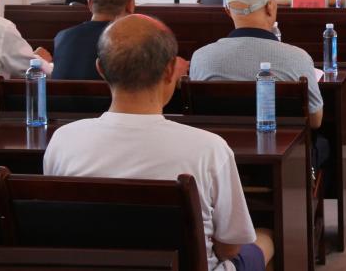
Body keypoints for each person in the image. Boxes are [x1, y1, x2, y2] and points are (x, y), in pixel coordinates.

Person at [44, 14, 274, 271]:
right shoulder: (209, 149)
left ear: (101, 69)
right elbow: (228, 248)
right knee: (265, 239)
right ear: (170, 70)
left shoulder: (63, 140)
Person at [190, 0, 327, 167]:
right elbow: (315, 120)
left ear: (227, 10)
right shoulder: (297, 58)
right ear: (270, 7)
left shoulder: (201, 58)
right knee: (324, 145)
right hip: (284, 163)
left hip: (219, 163)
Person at [53, 0, 183, 81]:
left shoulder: (62, 37)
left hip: (59, 105)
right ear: (130, 6)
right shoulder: (137, 41)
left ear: (90, 3)